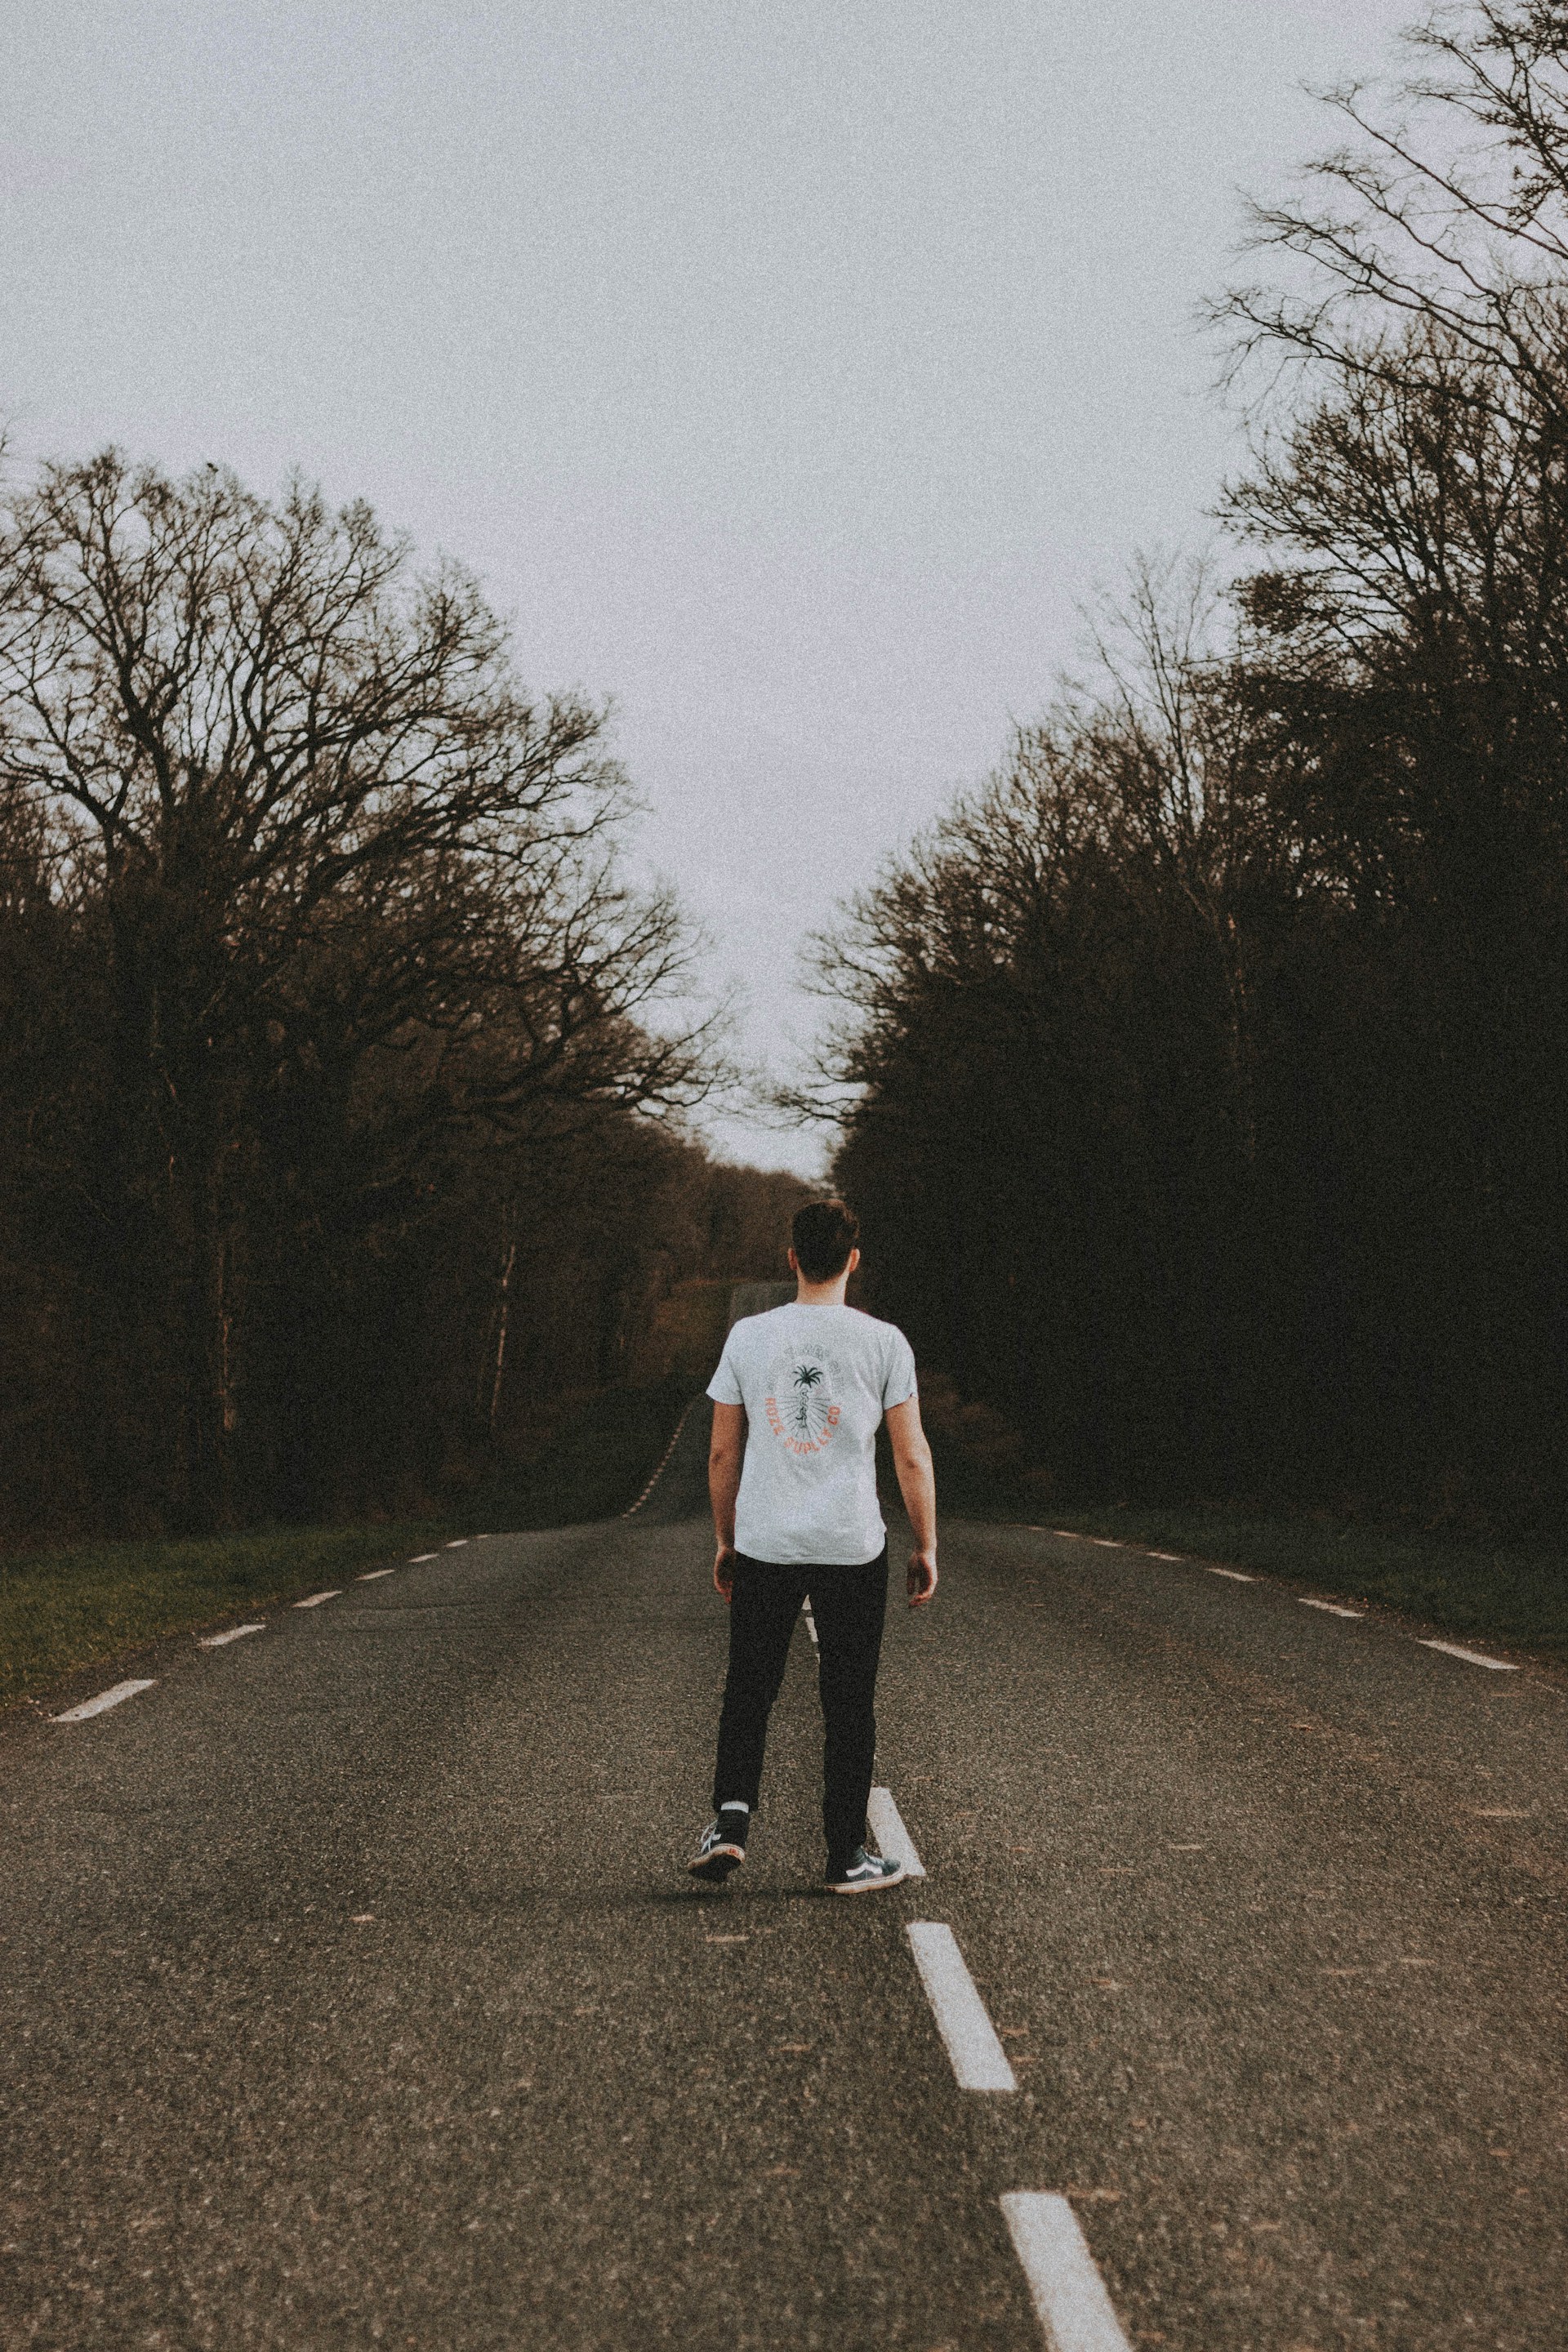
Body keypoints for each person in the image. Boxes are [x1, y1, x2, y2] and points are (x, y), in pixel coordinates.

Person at [688, 1197, 938, 1895]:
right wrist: (927, 1544)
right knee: (849, 1699)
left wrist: (725, 1539)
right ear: (853, 1260)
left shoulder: (748, 1338)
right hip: (851, 1544)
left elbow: (720, 1454)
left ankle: (732, 1824)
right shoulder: (884, 1342)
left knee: (750, 1687)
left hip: (768, 1540)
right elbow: (911, 1456)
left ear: (792, 1257)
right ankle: (845, 1855)